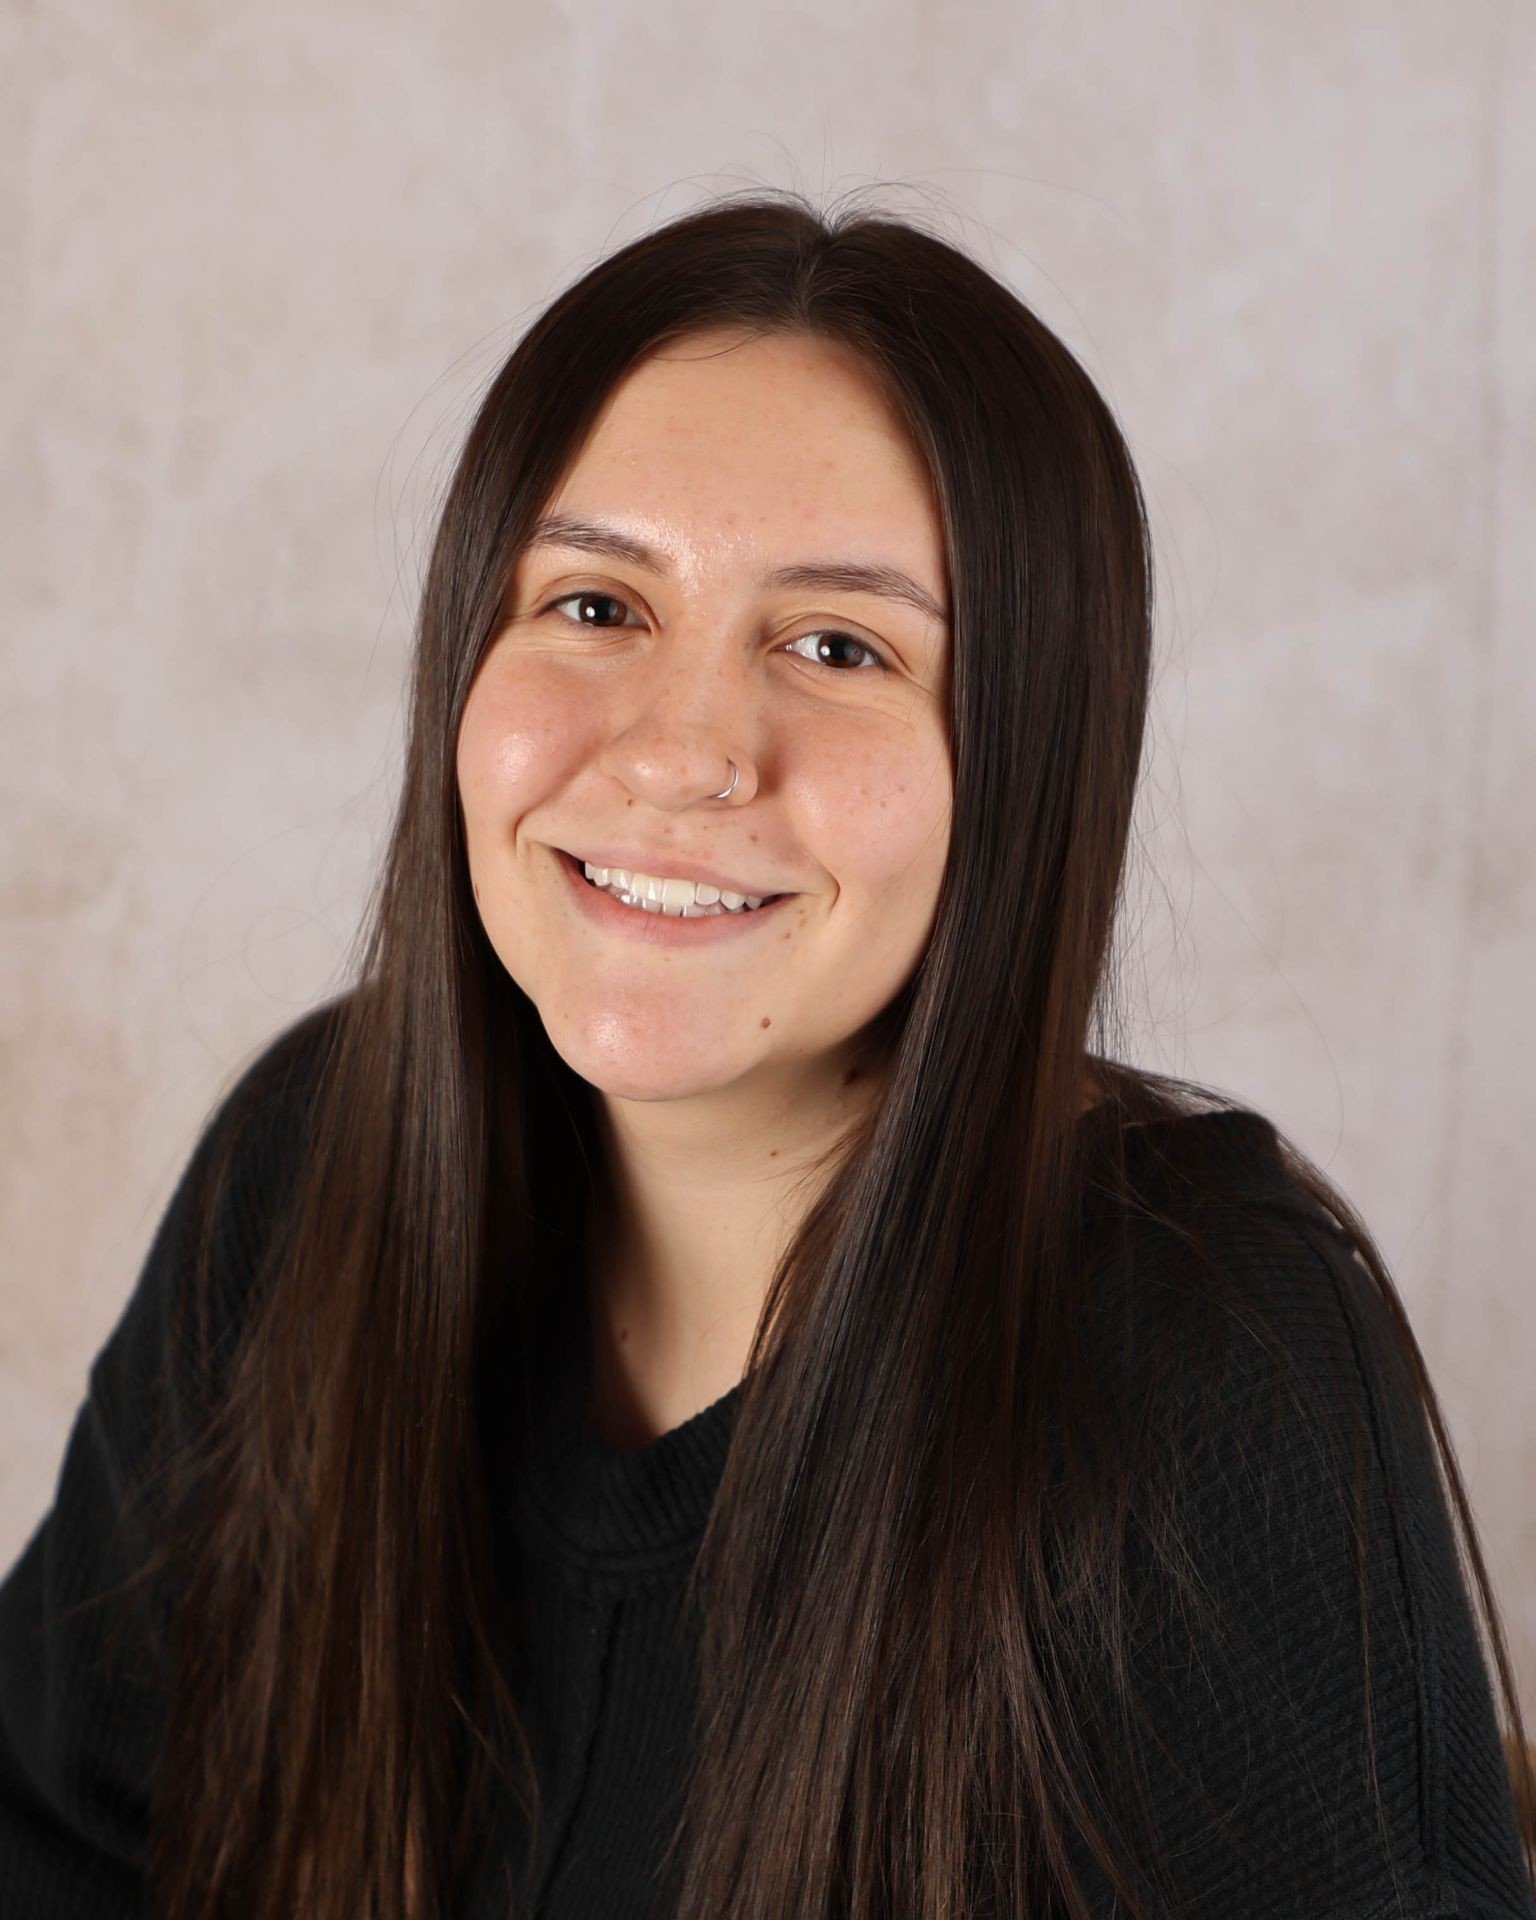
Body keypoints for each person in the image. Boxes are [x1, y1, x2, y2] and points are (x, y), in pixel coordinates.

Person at [3, 189, 1533, 1920]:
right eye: (596, 605)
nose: (682, 751)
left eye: (837, 646)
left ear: (1022, 767)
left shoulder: (1203, 1350)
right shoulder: (309, 1165)